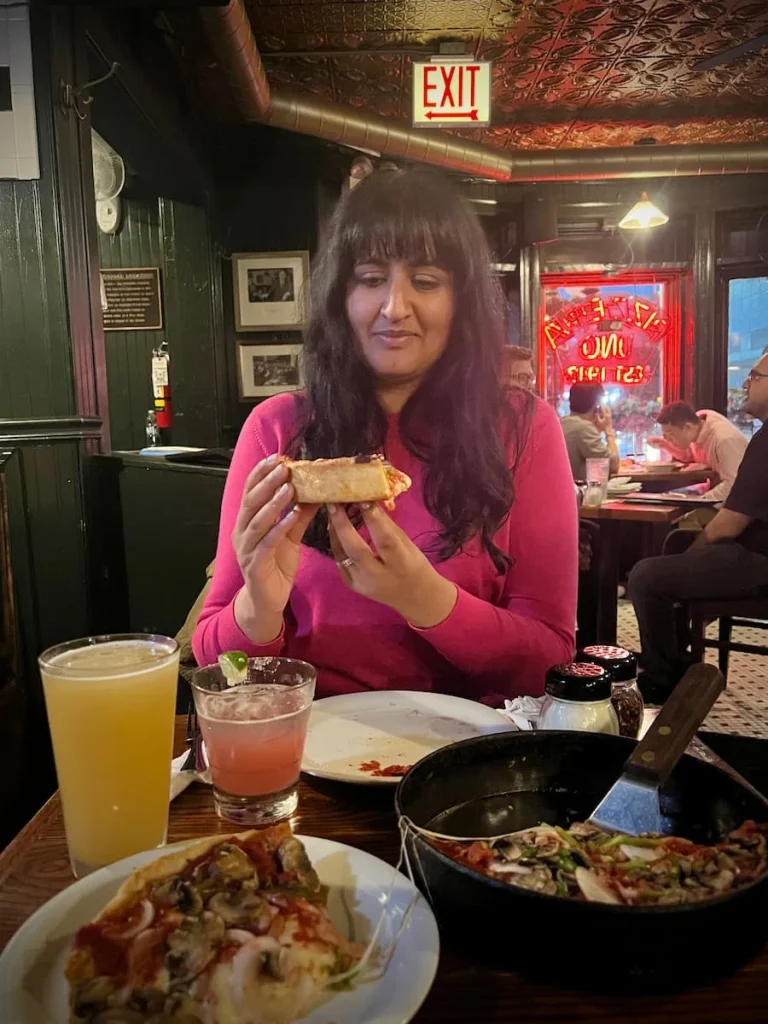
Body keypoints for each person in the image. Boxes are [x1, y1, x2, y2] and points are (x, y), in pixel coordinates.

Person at [192, 169, 577, 703]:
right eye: (370, 279)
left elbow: (550, 659)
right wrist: (257, 608)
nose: (394, 308)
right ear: (339, 297)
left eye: (425, 281)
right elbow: (219, 665)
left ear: (460, 300)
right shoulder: (276, 430)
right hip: (308, 753)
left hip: (469, 758)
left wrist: (426, 599)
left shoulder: (525, 428)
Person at [629, 354, 768, 702]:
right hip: (754, 546)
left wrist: (700, 547)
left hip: (760, 558)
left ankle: (664, 679)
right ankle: (680, 660)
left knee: (645, 576)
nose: (746, 383)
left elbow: (729, 523)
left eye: (755, 375)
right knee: (676, 542)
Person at [647, 402, 747, 503]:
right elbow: (687, 455)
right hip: (716, 490)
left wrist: (700, 501)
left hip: (740, 503)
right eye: (665, 436)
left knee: (680, 513)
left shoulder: (724, 439)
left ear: (687, 427)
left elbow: (734, 485)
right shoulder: (698, 425)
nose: (668, 439)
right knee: (666, 499)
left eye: (670, 434)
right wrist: (665, 445)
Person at [560, 383, 620, 480]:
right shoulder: (583, 428)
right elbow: (614, 464)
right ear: (597, 406)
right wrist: (608, 429)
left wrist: (597, 430)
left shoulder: (563, 422)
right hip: (581, 492)